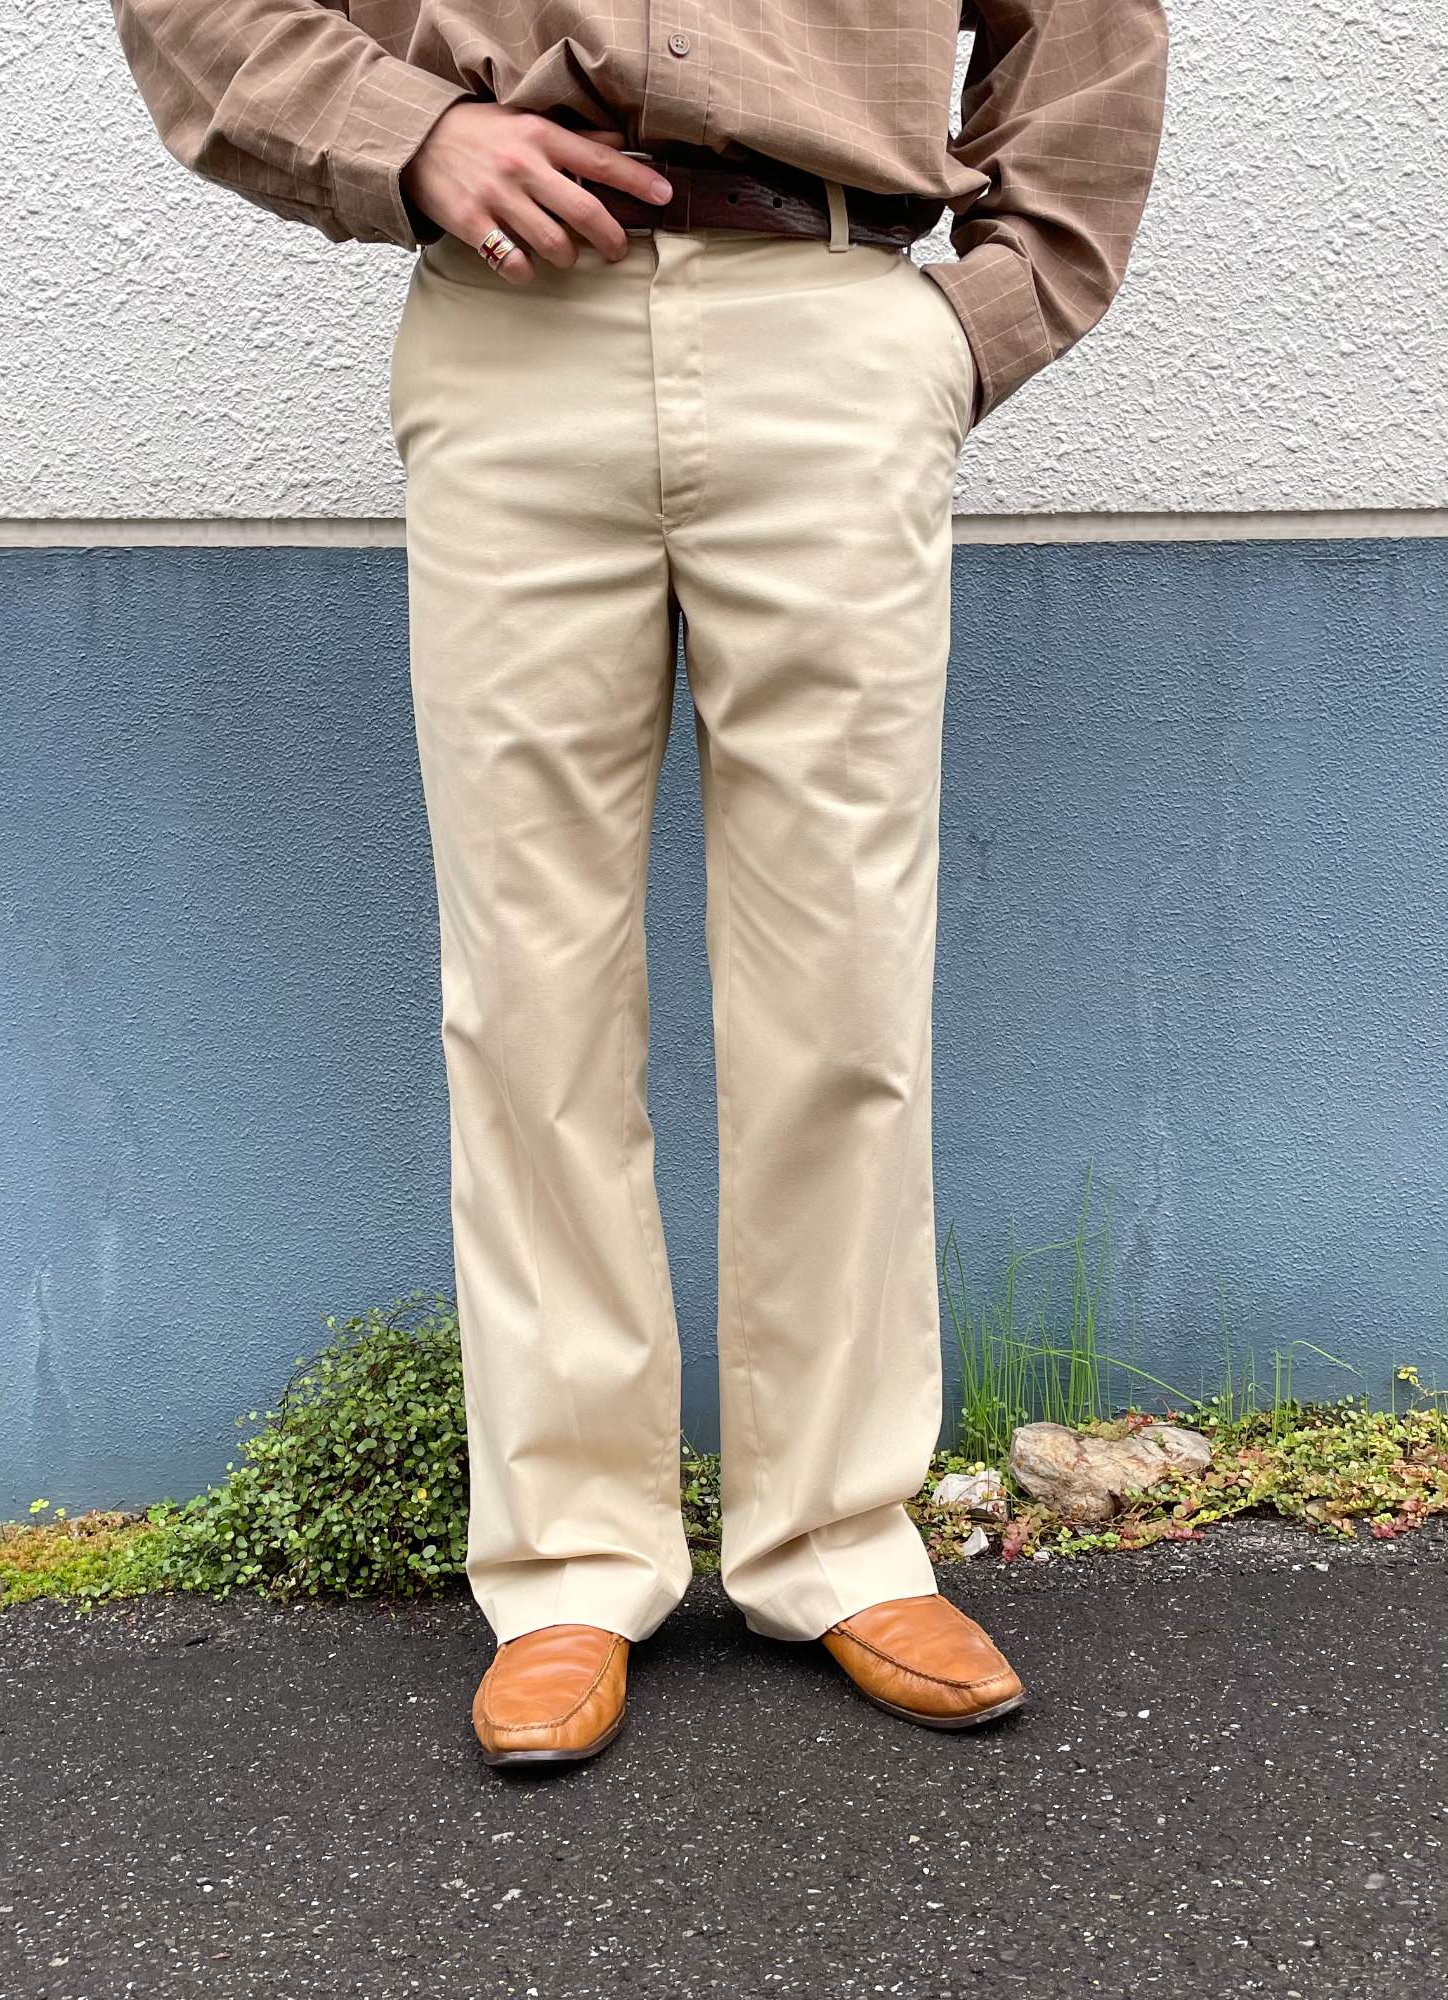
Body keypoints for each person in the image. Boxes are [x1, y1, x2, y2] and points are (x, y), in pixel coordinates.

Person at [110, 0, 1167, 1769]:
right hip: (516, 332)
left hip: (834, 324)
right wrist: (406, 133)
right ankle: (568, 1566)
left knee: (843, 983)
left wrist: (981, 315)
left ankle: (839, 1538)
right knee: (528, 993)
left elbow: (1087, 34)